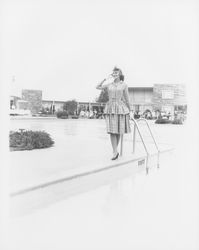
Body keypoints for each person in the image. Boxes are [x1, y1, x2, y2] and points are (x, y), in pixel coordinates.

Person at [96, 67, 131, 160]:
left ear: (120, 74)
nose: (114, 74)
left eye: (116, 72)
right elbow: (97, 87)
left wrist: (130, 110)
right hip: (110, 108)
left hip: (120, 108)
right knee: (112, 131)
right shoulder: (109, 84)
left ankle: (115, 151)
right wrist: (105, 78)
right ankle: (115, 152)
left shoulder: (124, 85)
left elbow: (127, 98)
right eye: (113, 73)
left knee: (118, 131)